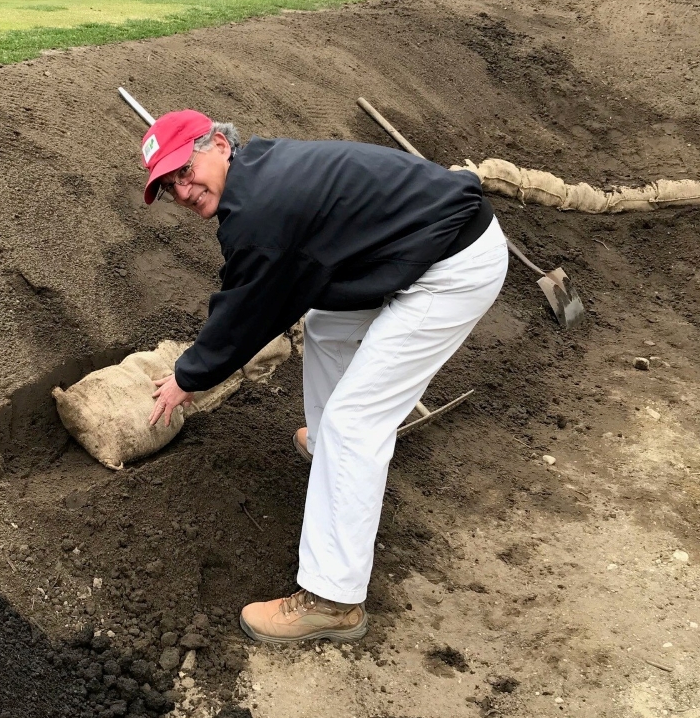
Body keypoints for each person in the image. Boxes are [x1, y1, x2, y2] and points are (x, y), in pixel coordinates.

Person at [140, 109, 508, 645]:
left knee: (355, 423)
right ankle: (331, 451)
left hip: (451, 267)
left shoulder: (259, 211)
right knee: (327, 325)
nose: (182, 189)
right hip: (418, 245)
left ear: (219, 144)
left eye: (184, 169)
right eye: (169, 186)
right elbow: (275, 289)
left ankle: (333, 599)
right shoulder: (258, 170)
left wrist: (187, 378)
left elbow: (246, 311)